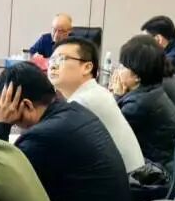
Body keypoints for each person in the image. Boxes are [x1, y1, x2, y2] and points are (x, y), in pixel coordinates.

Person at [0, 63, 131, 201]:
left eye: (14, 122)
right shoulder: (74, 111)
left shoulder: (42, 138)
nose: (17, 128)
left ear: (27, 106)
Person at [49, 38, 144, 173]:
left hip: (127, 181)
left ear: (87, 67)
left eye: (61, 59)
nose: (53, 66)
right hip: (129, 177)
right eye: (52, 60)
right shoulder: (95, 92)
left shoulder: (85, 101)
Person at [111, 34, 175, 171]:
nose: (118, 71)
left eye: (123, 66)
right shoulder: (153, 91)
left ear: (137, 76)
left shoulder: (137, 106)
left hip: (157, 175)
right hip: (166, 166)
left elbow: (111, 136)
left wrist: (117, 95)